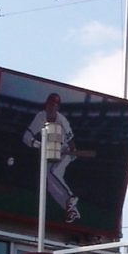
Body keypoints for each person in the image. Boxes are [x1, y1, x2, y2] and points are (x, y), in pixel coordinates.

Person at [23, 91, 81, 223]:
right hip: (50, 152)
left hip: (64, 151)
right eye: (50, 104)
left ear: (57, 107)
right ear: (46, 105)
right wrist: (39, 144)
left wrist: (73, 154)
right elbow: (26, 137)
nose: (51, 107)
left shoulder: (62, 121)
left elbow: (71, 143)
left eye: (54, 105)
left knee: (54, 172)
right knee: (49, 183)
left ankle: (71, 197)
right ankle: (71, 210)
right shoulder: (40, 117)